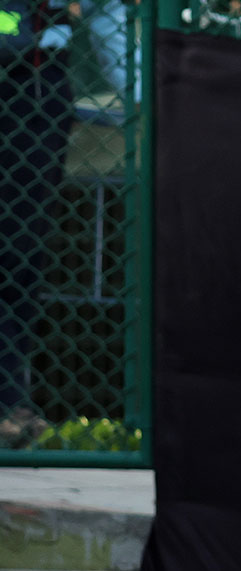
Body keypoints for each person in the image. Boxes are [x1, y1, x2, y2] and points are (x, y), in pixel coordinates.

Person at [1, 0, 75, 445]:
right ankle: (11, 403)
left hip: (34, 96)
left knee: (20, 258)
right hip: (30, 88)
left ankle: (11, 402)